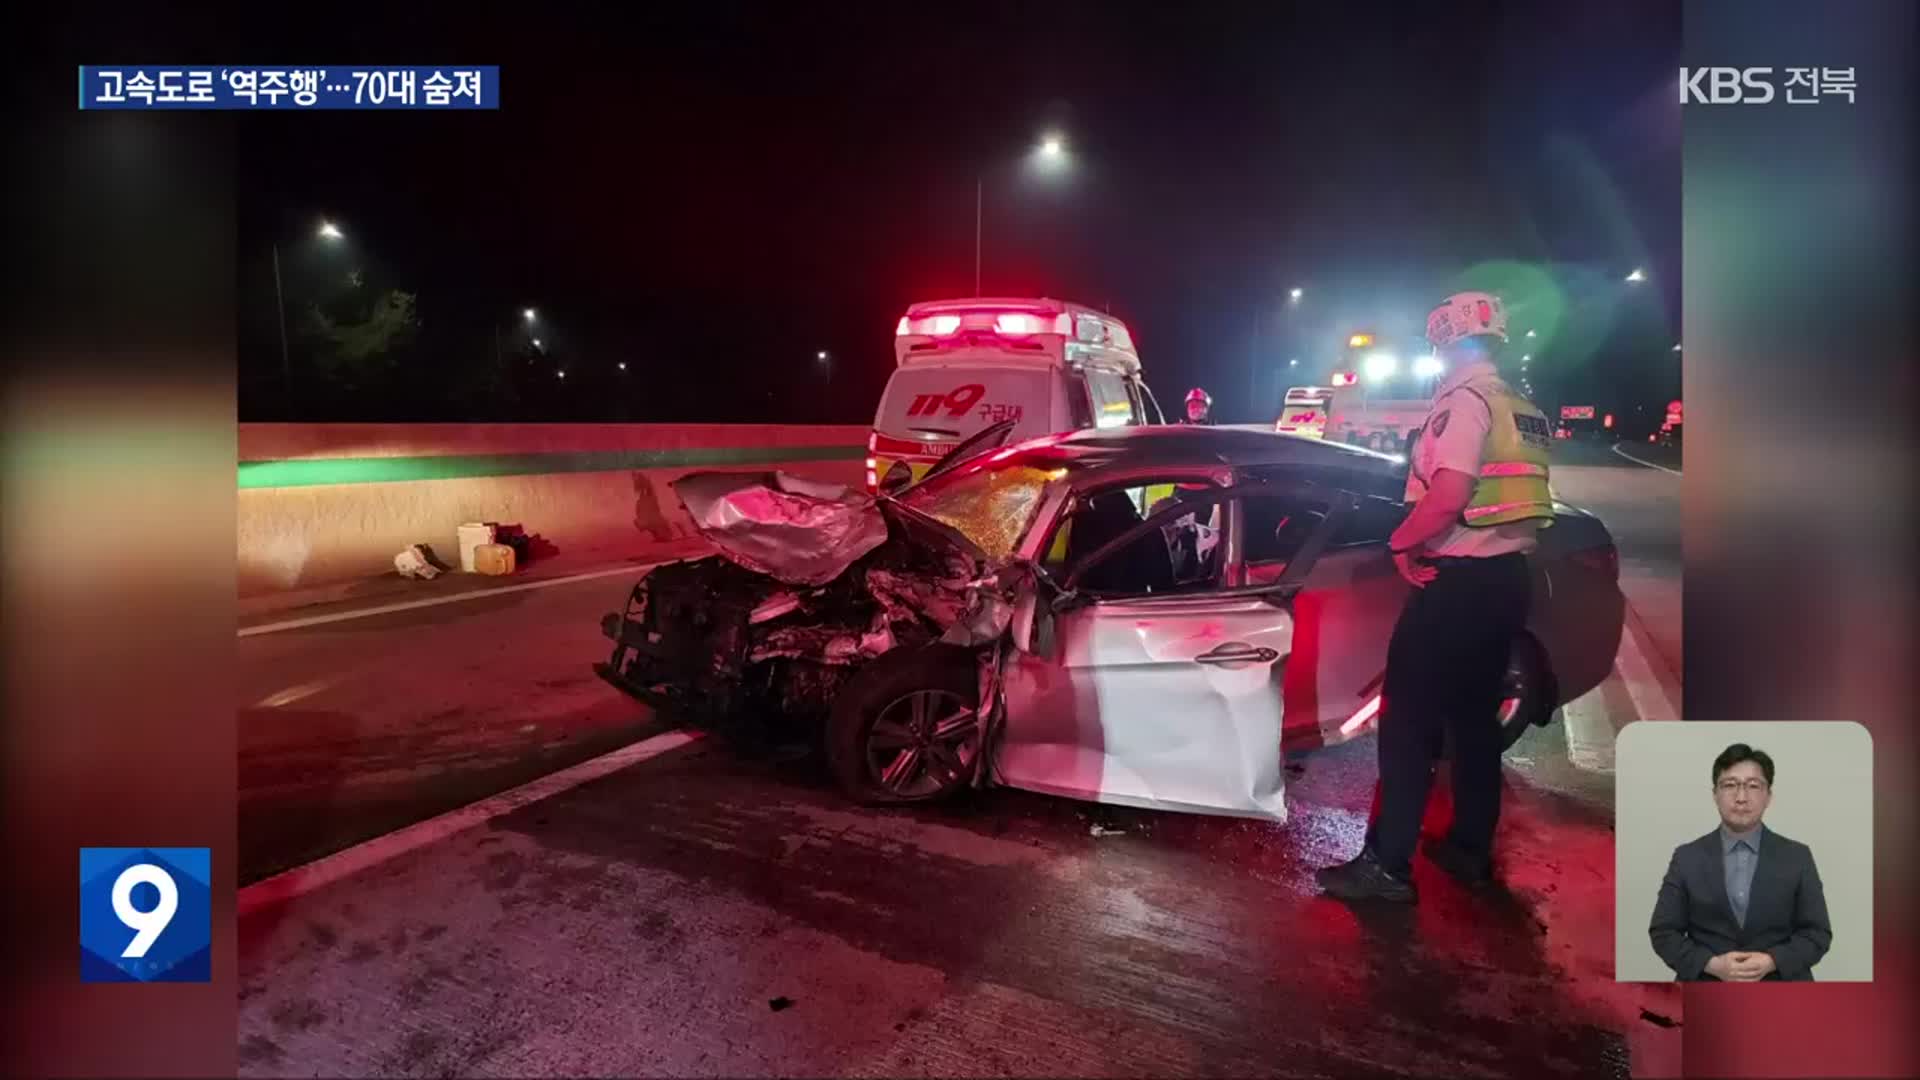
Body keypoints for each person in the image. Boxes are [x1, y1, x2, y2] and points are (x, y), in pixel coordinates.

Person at [1315, 290, 1554, 903]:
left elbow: (1449, 494)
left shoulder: (1465, 403)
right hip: (1506, 582)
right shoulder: (1519, 405)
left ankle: (1386, 867)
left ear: (1446, 342)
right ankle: (1469, 850)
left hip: (1459, 582)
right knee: (1473, 722)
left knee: (1408, 725)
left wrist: (1400, 544)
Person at [1647, 743, 1832, 981]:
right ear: (1715, 794)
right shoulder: (1687, 857)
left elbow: (1817, 933)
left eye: (1753, 786)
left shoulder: (1798, 856)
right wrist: (1712, 965)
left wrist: (1772, 961)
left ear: (1768, 796)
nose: (1741, 797)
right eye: (1730, 785)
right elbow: (1663, 932)